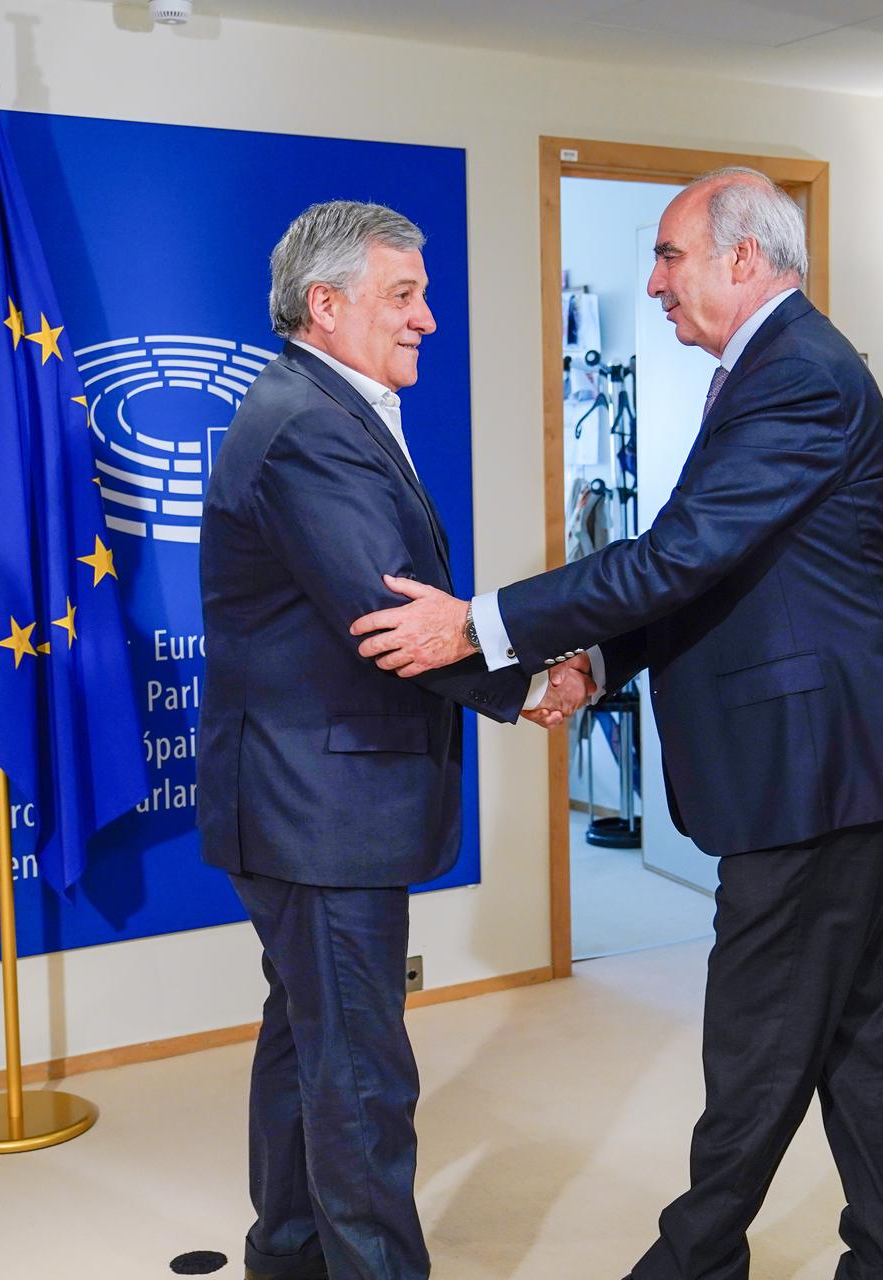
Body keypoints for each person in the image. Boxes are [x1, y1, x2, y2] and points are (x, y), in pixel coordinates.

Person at [349, 168, 883, 1280]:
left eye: (671, 256)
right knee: (853, 1031)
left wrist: (483, 625)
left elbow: (678, 555)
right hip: (836, 758)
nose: (654, 282)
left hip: (819, 765)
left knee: (760, 1036)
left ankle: (691, 1260)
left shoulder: (802, 376)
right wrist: (596, 658)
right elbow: (716, 564)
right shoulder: (768, 368)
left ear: (743, 258)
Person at [198, 200, 592, 1280]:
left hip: (301, 801)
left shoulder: (317, 404)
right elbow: (390, 618)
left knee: (307, 1046)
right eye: (403, 294)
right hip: (317, 808)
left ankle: (287, 1256)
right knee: (364, 1077)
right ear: (324, 305)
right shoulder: (307, 425)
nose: (427, 318)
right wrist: (529, 682)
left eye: (424, 293)